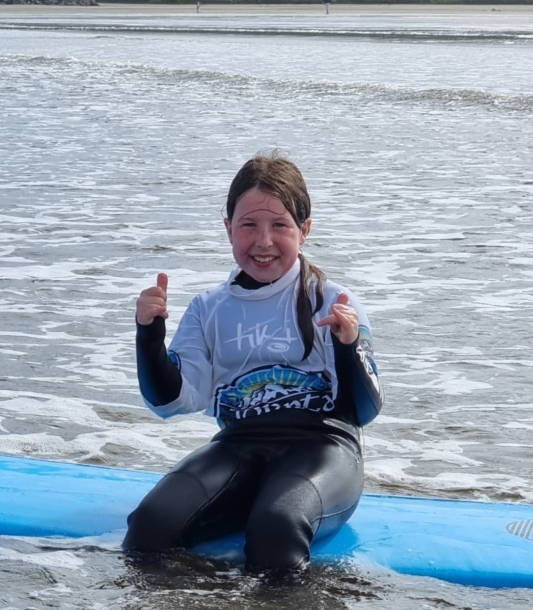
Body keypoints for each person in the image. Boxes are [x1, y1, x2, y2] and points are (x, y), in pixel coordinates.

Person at [123, 152, 383, 582]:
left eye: (279, 225)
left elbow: (365, 411)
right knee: (149, 528)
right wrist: (148, 335)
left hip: (325, 449)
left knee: (276, 530)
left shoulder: (333, 301)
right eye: (249, 225)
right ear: (228, 229)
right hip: (239, 447)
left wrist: (348, 346)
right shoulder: (209, 308)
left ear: (304, 231)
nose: (263, 241)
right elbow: (170, 401)